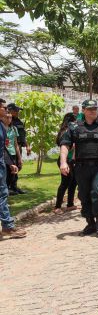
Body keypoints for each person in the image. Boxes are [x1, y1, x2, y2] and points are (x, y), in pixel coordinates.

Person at [59, 99, 98, 238]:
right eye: (90, 109)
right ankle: (90, 223)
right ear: (84, 111)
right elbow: (65, 144)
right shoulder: (74, 127)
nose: (93, 111)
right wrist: (63, 162)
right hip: (82, 167)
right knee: (84, 196)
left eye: (95, 109)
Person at [0, 100, 26, 238]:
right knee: (2, 195)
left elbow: (3, 148)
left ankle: (7, 226)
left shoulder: (2, 127)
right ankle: (7, 227)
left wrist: (10, 163)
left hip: (2, 165)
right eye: (4, 108)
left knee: (3, 194)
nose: (7, 111)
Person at [54, 113, 78, 214]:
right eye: (74, 121)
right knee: (65, 183)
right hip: (66, 161)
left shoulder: (66, 131)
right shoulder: (66, 132)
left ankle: (70, 204)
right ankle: (57, 207)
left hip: (72, 161)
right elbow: (65, 146)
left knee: (73, 182)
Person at [7, 103, 27, 194]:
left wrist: (27, 145)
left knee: (18, 166)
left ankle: (14, 187)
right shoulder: (8, 122)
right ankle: (9, 188)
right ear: (10, 111)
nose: (17, 112)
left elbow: (23, 134)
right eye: (16, 110)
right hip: (10, 148)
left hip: (18, 147)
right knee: (10, 168)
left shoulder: (18, 121)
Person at [3, 112, 21, 196]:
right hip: (4, 154)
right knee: (4, 173)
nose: (9, 119)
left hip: (12, 153)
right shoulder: (1, 128)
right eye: (7, 117)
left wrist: (19, 158)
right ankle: (5, 190)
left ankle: (12, 189)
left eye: (10, 118)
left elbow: (16, 144)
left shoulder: (14, 129)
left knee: (13, 174)